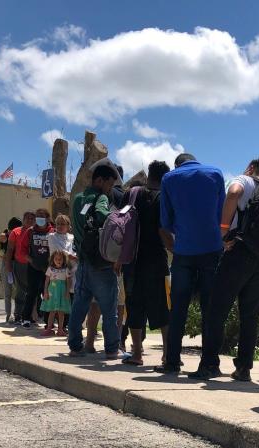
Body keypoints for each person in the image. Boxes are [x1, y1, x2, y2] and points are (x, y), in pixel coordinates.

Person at [189, 158, 259, 381]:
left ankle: (209, 365)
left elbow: (233, 192)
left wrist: (223, 232)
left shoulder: (245, 180)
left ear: (251, 168)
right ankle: (244, 368)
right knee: (250, 316)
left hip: (238, 253)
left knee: (216, 310)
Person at [157, 153, 226, 374]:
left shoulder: (169, 179)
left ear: (177, 164)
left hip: (184, 251)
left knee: (178, 309)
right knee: (210, 309)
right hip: (212, 248)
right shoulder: (215, 173)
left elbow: (165, 221)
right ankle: (209, 364)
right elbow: (221, 214)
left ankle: (172, 362)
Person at [68, 163, 122, 359]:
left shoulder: (76, 199)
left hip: (82, 262)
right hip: (102, 263)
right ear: (100, 180)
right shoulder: (101, 198)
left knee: (79, 307)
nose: (110, 189)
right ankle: (111, 349)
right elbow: (103, 215)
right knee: (109, 310)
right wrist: (119, 218)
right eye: (109, 184)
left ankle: (75, 346)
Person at [124, 160, 171, 367]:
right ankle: (167, 355)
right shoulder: (164, 198)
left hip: (133, 259)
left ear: (149, 174)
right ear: (165, 178)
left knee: (134, 306)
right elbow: (164, 230)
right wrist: (175, 249)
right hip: (156, 260)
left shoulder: (132, 194)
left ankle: (136, 354)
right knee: (161, 307)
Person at [21, 208, 54, 328]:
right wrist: (32, 261)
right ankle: (26, 318)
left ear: (48, 218)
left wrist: (51, 264)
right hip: (33, 267)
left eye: (42, 216)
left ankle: (47, 320)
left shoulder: (52, 231)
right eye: (37, 216)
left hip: (48, 269)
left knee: (47, 293)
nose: (39, 218)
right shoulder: (30, 231)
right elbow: (23, 250)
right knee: (31, 292)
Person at [5, 210, 36, 324]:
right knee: (20, 291)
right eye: (27, 218)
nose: (30, 220)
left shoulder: (37, 232)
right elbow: (10, 250)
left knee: (33, 292)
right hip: (19, 265)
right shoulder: (15, 232)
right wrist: (8, 266)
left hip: (34, 266)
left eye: (32, 218)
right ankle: (18, 314)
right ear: (23, 220)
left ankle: (30, 316)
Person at [41, 250, 73, 337]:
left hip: (62, 293)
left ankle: (60, 329)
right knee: (52, 311)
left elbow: (68, 281)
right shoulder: (50, 269)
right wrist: (45, 292)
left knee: (61, 312)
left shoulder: (66, 270)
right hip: (52, 293)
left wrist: (67, 292)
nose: (58, 261)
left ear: (64, 260)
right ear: (53, 259)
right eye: (56, 259)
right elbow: (47, 281)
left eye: (60, 259)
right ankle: (49, 329)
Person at [0, 217, 22, 325]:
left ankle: (15, 314)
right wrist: (8, 234)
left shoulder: (21, 234)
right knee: (8, 291)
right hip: (9, 263)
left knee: (15, 291)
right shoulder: (6, 235)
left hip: (16, 263)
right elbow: (2, 238)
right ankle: (9, 315)